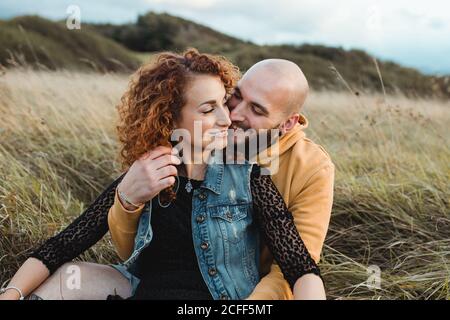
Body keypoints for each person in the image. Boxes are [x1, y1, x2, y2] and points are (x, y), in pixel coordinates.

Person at [0, 49, 322, 300]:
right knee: (69, 276)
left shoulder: (248, 175)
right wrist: (12, 293)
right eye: (210, 109)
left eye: (224, 103)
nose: (229, 118)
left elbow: (301, 268)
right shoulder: (148, 172)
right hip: (144, 291)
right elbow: (63, 245)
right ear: (170, 120)